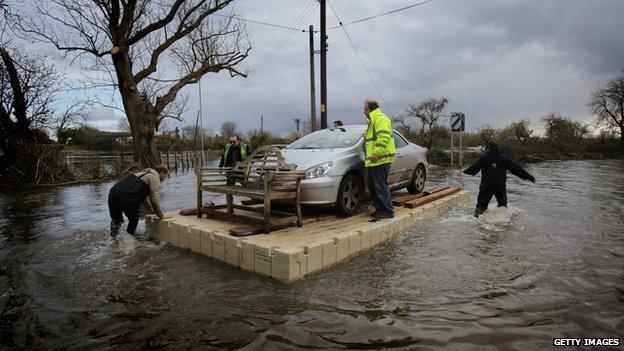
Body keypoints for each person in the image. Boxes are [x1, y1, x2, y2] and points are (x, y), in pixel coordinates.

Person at [463, 141, 535, 217]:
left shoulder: (484, 158)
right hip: (500, 186)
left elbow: (474, 168)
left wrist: (465, 171)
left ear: (488, 148)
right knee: (502, 206)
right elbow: (517, 169)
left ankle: (476, 221)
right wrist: (529, 177)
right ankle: (503, 222)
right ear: (497, 147)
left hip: (486, 185)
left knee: (481, 207)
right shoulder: (504, 158)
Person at [108, 165, 170, 238]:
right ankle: (129, 240)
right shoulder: (154, 177)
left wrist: (151, 210)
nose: (165, 178)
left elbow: (143, 197)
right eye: (166, 176)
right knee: (133, 219)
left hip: (113, 193)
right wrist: (160, 215)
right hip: (128, 196)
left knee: (116, 219)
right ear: (162, 173)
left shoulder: (141, 174)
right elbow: (154, 198)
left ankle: (114, 238)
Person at [363, 99, 396, 219]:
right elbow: (374, 138)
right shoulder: (373, 121)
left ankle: (387, 211)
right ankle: (380, 210)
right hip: (374, 160)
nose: (364, 112)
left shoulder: (381, 119)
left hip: (380, 159)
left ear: (371, 108)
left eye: (365, 109)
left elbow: (383, 137)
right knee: (374, 187)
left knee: (380, 187)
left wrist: (376, 153)